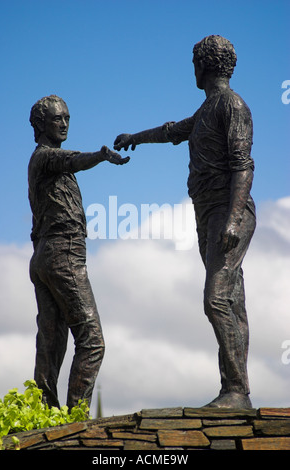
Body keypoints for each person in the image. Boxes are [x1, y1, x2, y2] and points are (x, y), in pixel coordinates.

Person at [114, 35, 256, 409]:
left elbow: (243, 167)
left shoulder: (232, 105)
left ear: (205, 65)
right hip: (208, 213)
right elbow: (172, 131)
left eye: (194, 62)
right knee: (232, 301)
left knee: (216, 300)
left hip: (228, 212)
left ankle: (236, 391)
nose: (192, 69)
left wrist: (232, 220)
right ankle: (236, 388)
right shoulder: (207, 109)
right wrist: (135, 139)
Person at [28, 94, 129, 410]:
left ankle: (45, 412)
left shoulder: (44, 162)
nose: (64, 123)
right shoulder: (46, 157)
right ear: (41, 124)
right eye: (57, 118)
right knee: (92, 341)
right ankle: (76, 422)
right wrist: (99, 156)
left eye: (67, 118)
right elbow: (72, 160)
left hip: (44, 256)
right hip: (63, 254)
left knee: (51, 341)